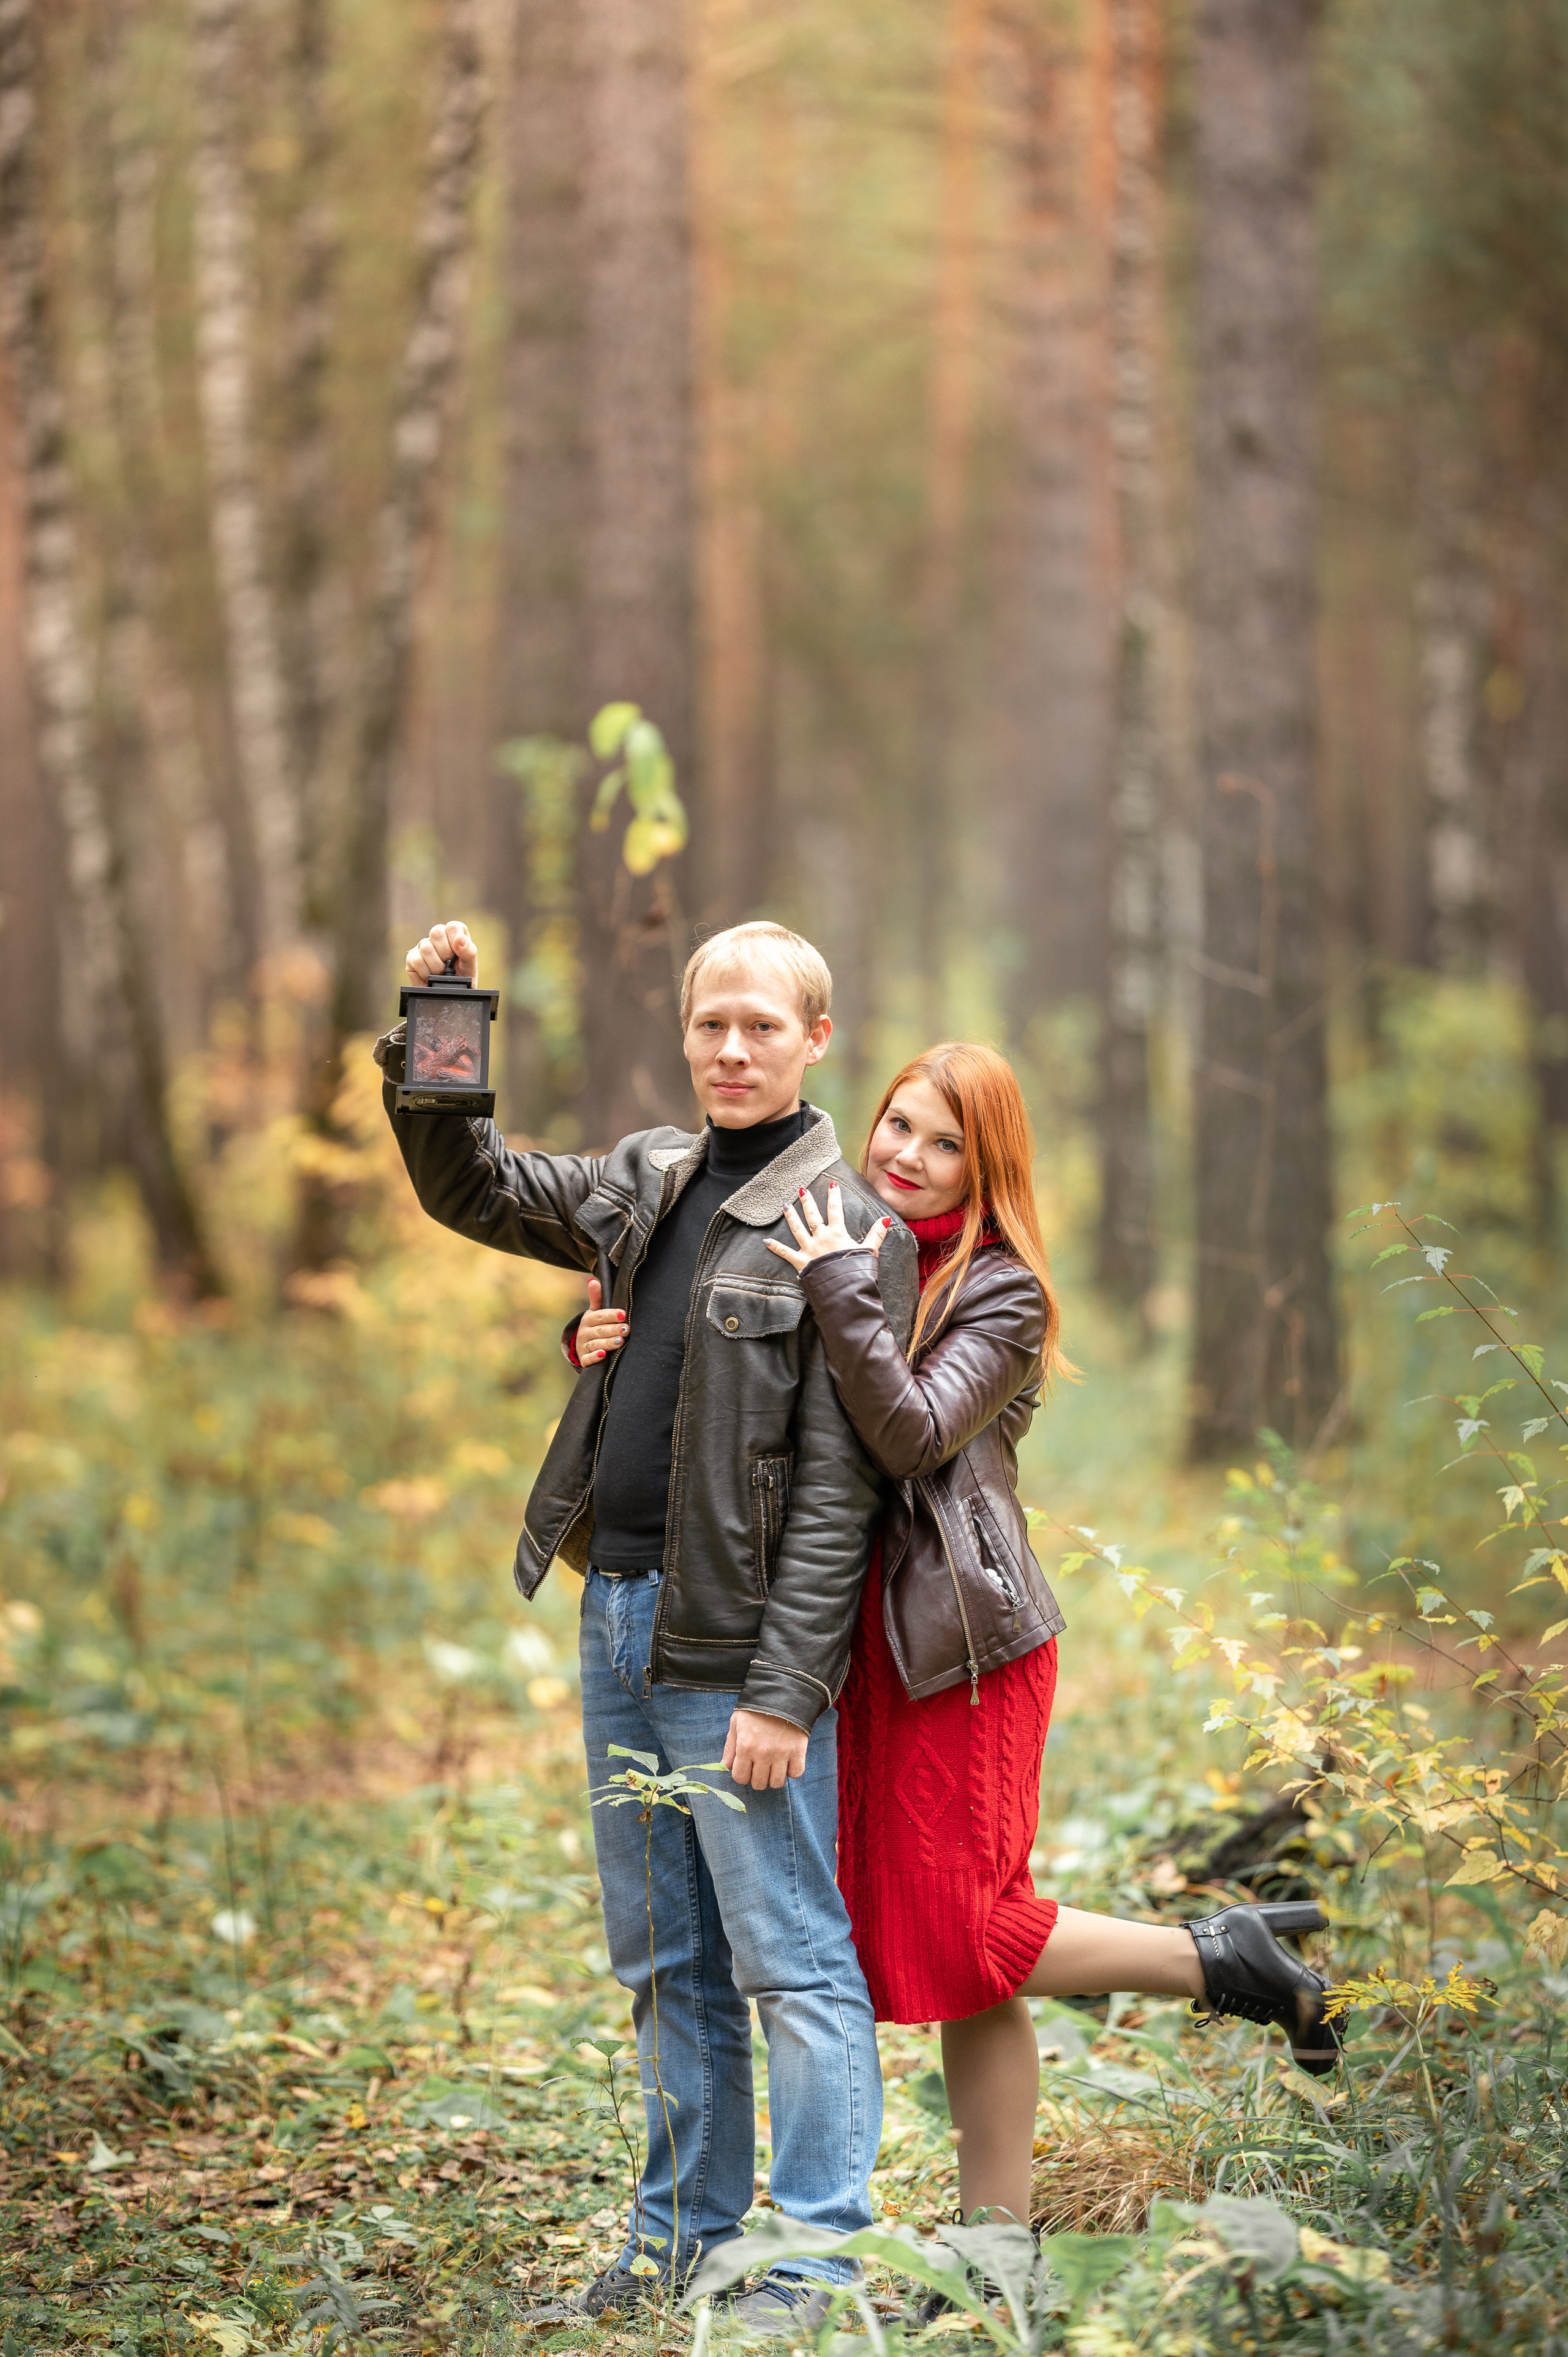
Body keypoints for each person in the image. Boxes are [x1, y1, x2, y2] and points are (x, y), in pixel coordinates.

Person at [579, 1041, 1340, 2243]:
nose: (910, 1160)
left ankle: (1214, 1960)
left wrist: (835, 1284)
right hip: (842, 1651)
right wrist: (606, 1355)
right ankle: (999, 2245)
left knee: (968, 1931)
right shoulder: (821, 1235)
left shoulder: (998, 1289)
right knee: (928, 1951)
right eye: (897, 1128)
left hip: (957, 1657)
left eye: (947, 1145)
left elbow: (909, 1433)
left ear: (988, 1169)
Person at [375, 918, 918, 2333]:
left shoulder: (848, 1227)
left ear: (815, 1040)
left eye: (758, 1026)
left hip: (734, 1656)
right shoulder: (644, 1176)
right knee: (662, 1960)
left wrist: (787, 1691)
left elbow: (834, 1500)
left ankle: (810, 2266)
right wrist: (442, 1023)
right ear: (683, 1035)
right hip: (613, 1617)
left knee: (788, 1956)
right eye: (707, 1026)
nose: (729, 1050)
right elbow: (476, 1188)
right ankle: (680, 2235)